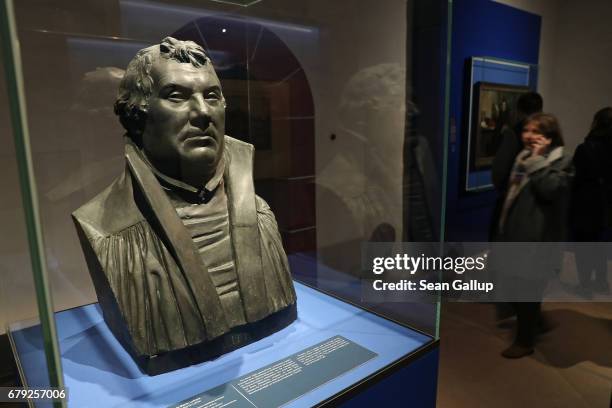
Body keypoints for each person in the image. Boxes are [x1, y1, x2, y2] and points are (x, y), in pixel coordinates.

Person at [72, 37, 296, 370]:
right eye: (176, 96)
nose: (202, 113)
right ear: (137, 115)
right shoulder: (105, 230)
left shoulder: (260, 211)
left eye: (212, 96)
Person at [492, 113, 573, 358]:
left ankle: (525, 341)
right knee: (514, 284)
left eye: (536, 131)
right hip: (515, 233)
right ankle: (535, 320)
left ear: (549, 136)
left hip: (538, 239)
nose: (528, 136)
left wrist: (538, 161)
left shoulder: (563, 159)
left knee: (527, 288)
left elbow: (551, 190)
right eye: (526, 130)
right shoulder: (522, 156)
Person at [570, 107, 612, 296]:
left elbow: (576, 179)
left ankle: (585, 284)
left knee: (584, 245)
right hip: (607, 204)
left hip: (587, 204)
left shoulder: (585, 148)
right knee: (601, 245)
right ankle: (601, 282)